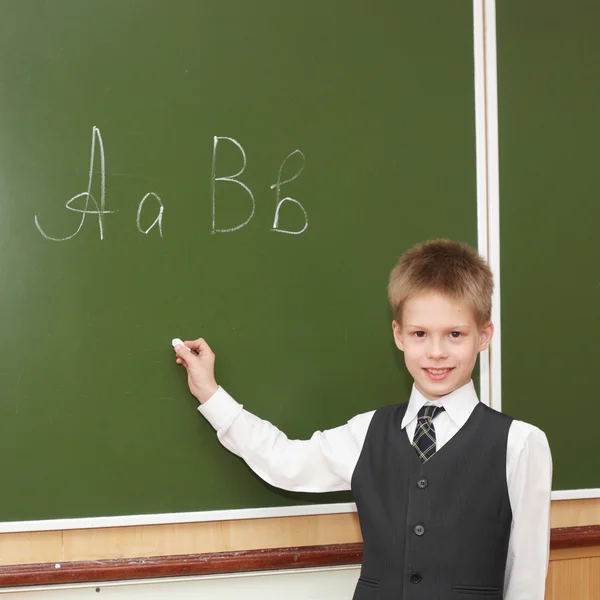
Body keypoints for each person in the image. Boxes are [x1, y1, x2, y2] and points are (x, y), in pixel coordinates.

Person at [173, 239, 552, 600]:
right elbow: (284, 462)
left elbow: (527, 576)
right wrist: (210, 394)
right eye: (420, 334)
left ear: (483, 336)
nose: (436, 352)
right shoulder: (366, 432)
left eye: (455, 334)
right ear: (398, 335)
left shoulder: (520, 443)